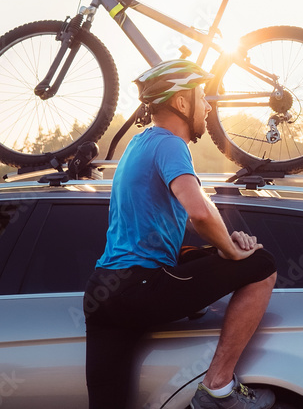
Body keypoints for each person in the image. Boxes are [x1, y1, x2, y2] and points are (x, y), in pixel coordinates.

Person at [83, 60, 277, 409]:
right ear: (182, 103)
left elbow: (160, 225)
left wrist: (223, 244)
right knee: (262, 264)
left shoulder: (138, 145)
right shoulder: (171, 145)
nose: (208, 106)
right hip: (139, 287)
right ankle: (217, 389)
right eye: (202, 97)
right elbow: (199, 211)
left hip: (103, 292)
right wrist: (233, 255)